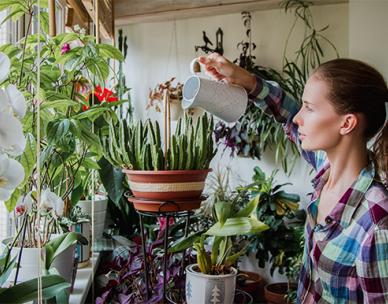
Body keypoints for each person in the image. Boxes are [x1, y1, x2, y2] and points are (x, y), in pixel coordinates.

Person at [198, 53, 388, 303]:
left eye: (309, 108)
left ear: (347, 123)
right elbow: (285, 112)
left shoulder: (376, 224)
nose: (299, 117)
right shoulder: (325, 166)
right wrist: (245, 80)